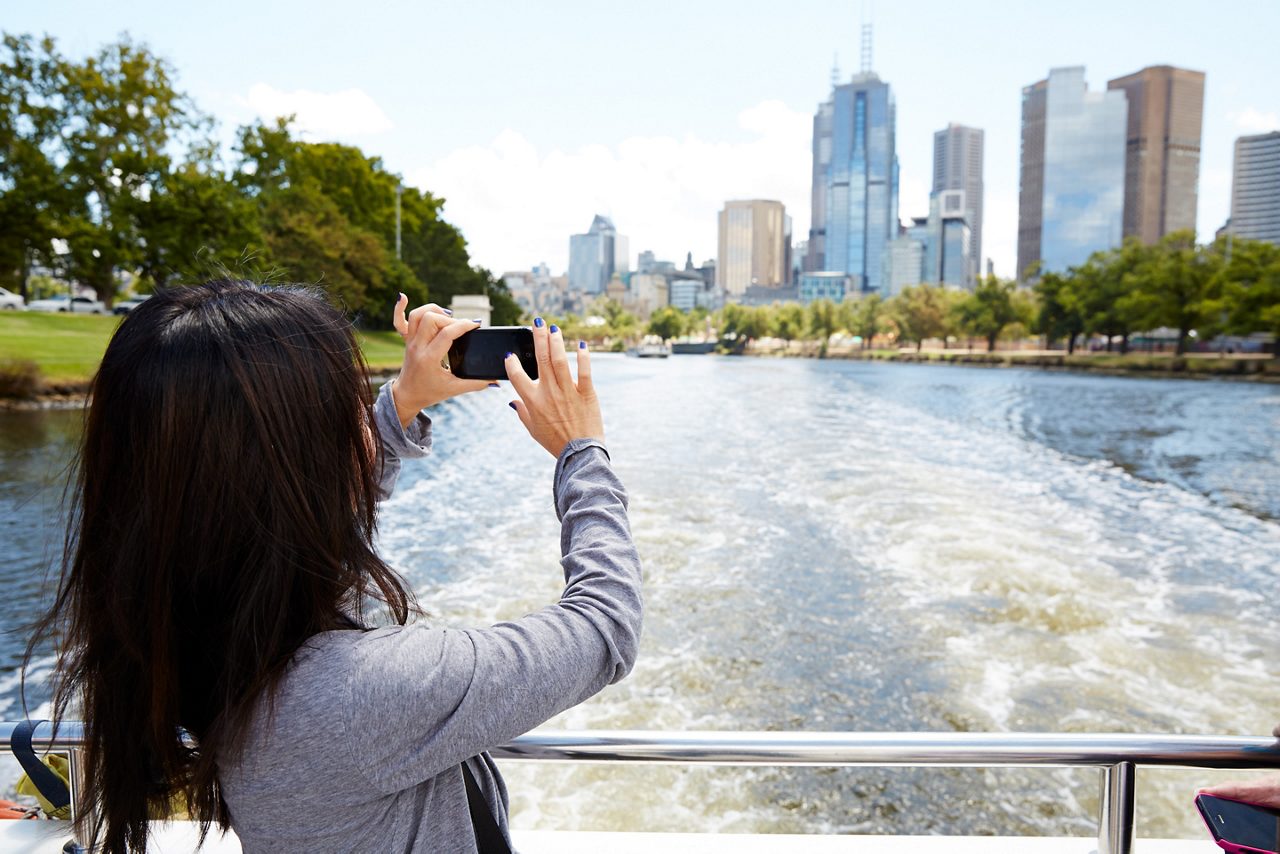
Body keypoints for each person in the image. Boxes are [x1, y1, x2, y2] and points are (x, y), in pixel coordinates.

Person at [26, 279, 642, 853]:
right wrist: (580, 451)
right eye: (345, 405)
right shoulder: (365, 696)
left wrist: (403, 404)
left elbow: (288, 524)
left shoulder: (194, 627)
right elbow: (603, 628)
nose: (362, 414)